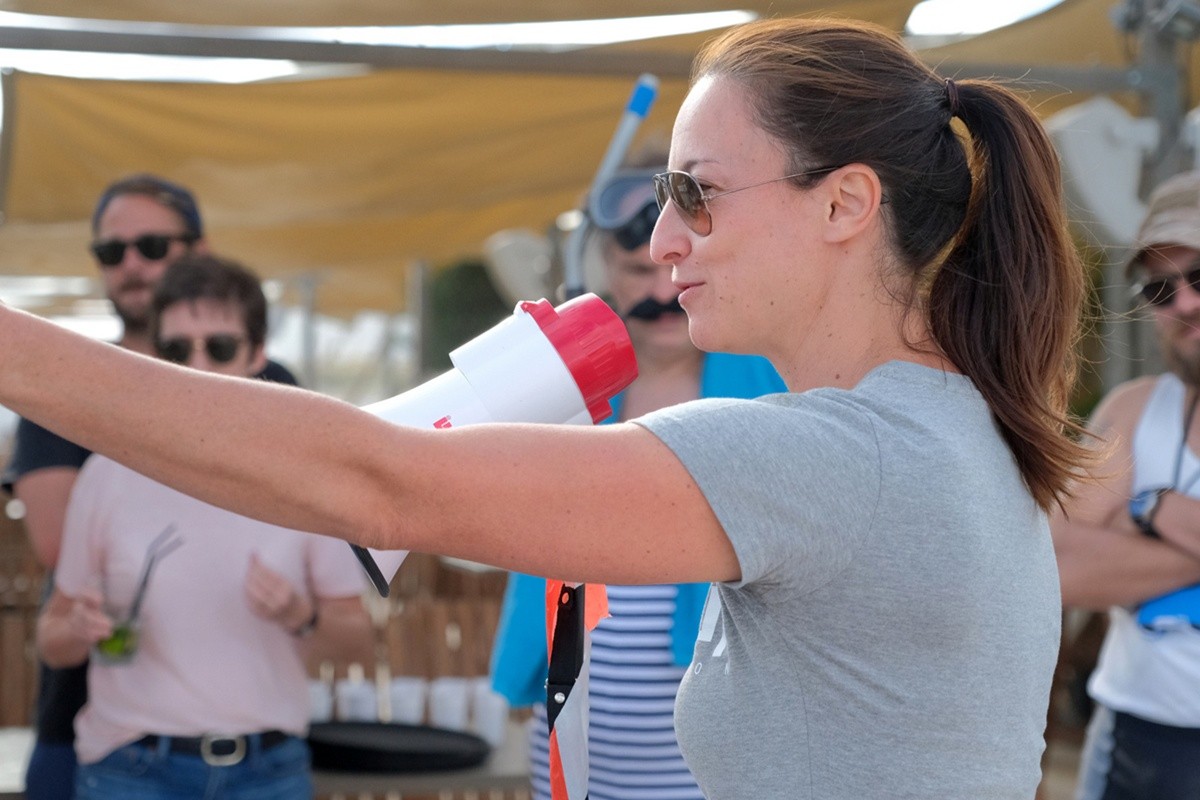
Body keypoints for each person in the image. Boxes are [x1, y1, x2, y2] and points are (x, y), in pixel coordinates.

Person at [0, 17, 1091, 799]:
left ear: (848, 201)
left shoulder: (832, 458)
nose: (663, 244)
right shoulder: (949, 426)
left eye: (698, 194)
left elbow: (375, 479)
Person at [489, 161, 786, 800]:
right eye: (638, 271)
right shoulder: (568, 390)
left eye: (675, 267)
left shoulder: (772, 388)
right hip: (570, 741)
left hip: (707, 758)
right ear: (605, 275)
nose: (662, 289)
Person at [2, 173, 298, 800]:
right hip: (96, 720)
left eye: (153, 246)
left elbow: (309, 520)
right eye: (112, 252)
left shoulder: (274, 381)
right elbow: (59, 548)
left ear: (201, 249)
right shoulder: (64, 387)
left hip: (249, 732)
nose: (132, 265)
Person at [35, 253, 370, 800]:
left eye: (219, 347)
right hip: (132, 767)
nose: (198, 366)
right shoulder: (106, 474)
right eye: (176, 349)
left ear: (257, 355)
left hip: (267, 770)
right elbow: (52, 642)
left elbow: (357, 640)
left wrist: (301, 615)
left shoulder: (302, 479)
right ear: (151, 355)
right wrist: (77, 628)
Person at [1052, 171, 1200, 800]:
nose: (1184, 304)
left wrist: (1141, 515)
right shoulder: (1136, 408)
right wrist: (1159, 509)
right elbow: (1058, 568)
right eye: (1161, 288)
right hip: (1140, 742)